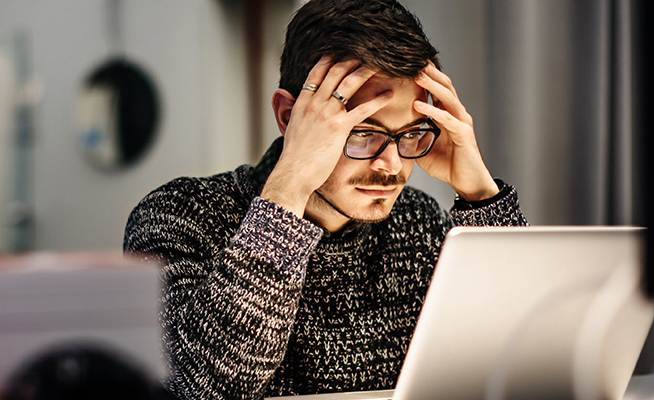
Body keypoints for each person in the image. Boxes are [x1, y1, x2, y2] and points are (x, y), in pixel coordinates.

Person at [124, 0, 528, 398]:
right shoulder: (178, 216)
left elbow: (523, 357)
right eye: (362, 131)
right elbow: (208, 388)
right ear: (288, 116)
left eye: (409, 133)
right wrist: (289, 187)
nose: (390, 164)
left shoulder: (418, 222)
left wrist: (480, 196)